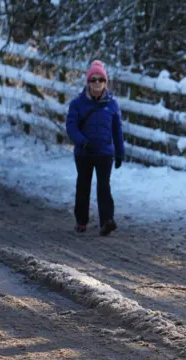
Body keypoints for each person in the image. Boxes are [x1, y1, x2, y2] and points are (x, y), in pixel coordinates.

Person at [66, 60, 125, 236]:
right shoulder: (77, 104)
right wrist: (82, 141)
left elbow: (117, 130)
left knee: (103, 186)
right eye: (93, 80)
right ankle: (81, 221)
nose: (97, 83)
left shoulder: (112, 105)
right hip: (84, 153)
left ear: (106, 82)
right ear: (88, 82)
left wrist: (120, 152)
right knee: (83, 185)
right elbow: (71, 127)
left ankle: (107, 221)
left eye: (101, 79)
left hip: (105, 153)